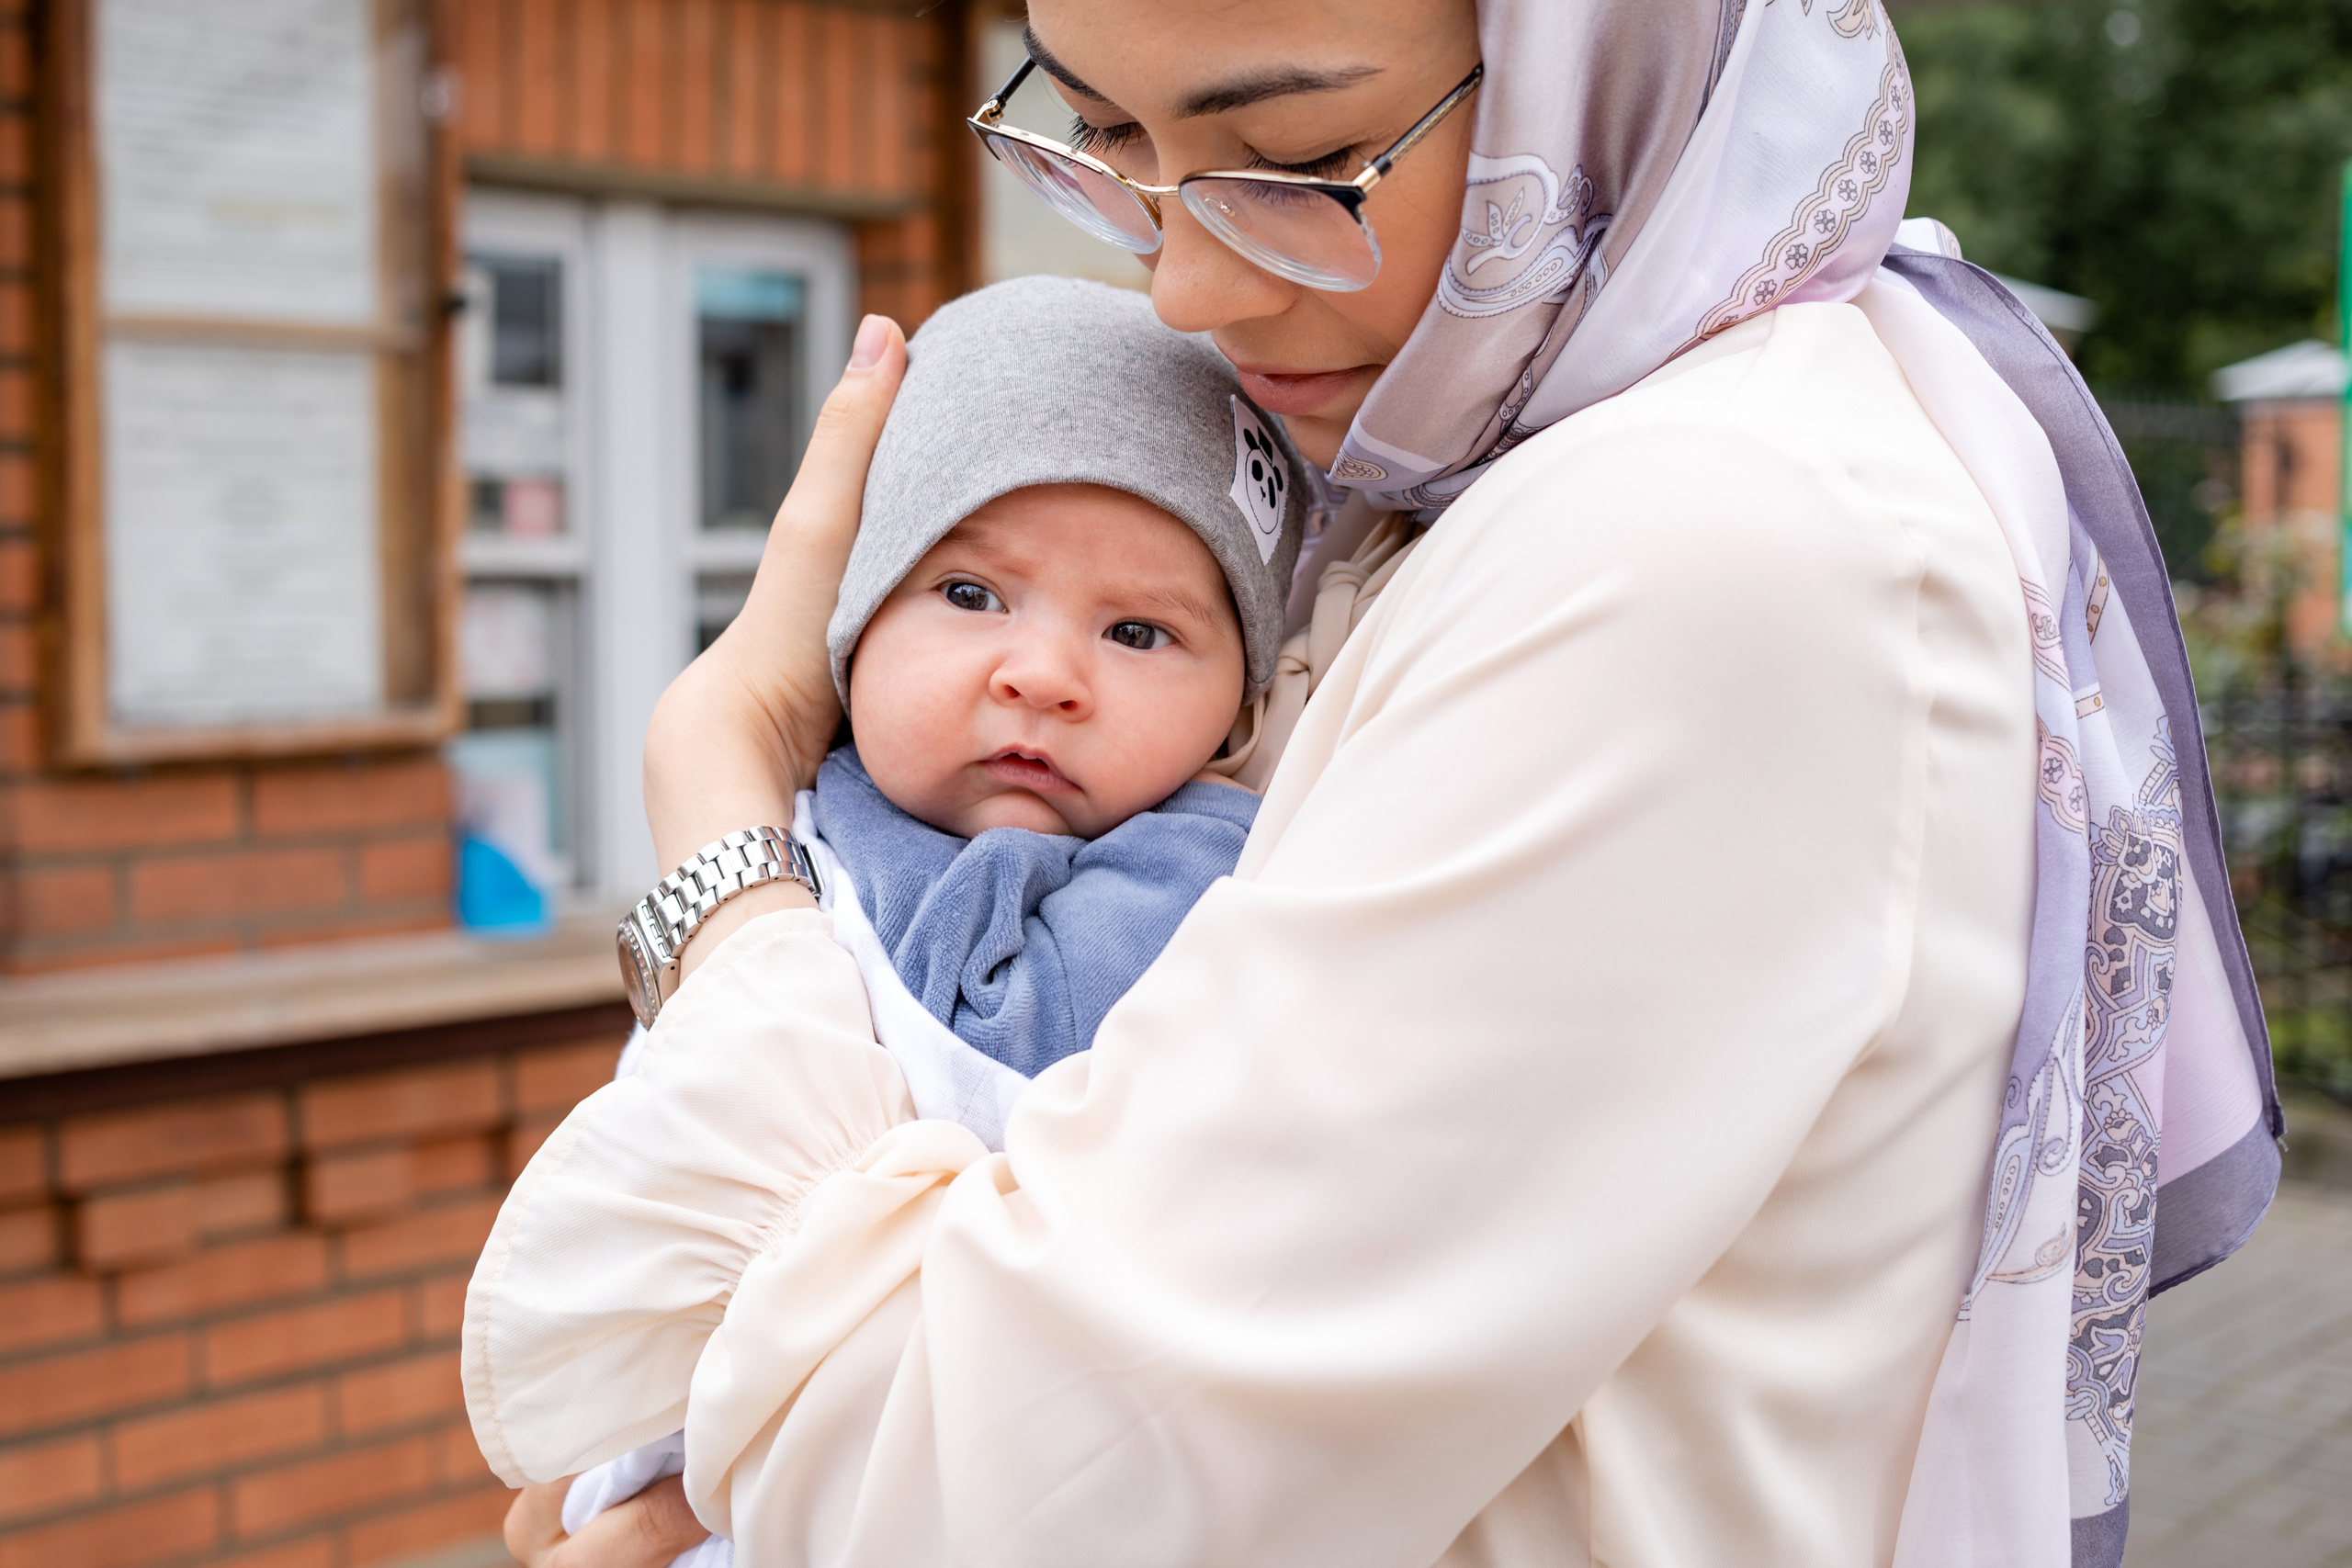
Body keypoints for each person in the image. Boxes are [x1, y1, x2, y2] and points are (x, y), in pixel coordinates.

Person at [466, 3, 2280, 1565]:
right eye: (1098, 136)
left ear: (1605, 55)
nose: (1180, 280)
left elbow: (984, 1492)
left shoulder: (1693, 549)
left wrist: (724, 830)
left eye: (1302, 160)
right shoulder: (1468, 475)